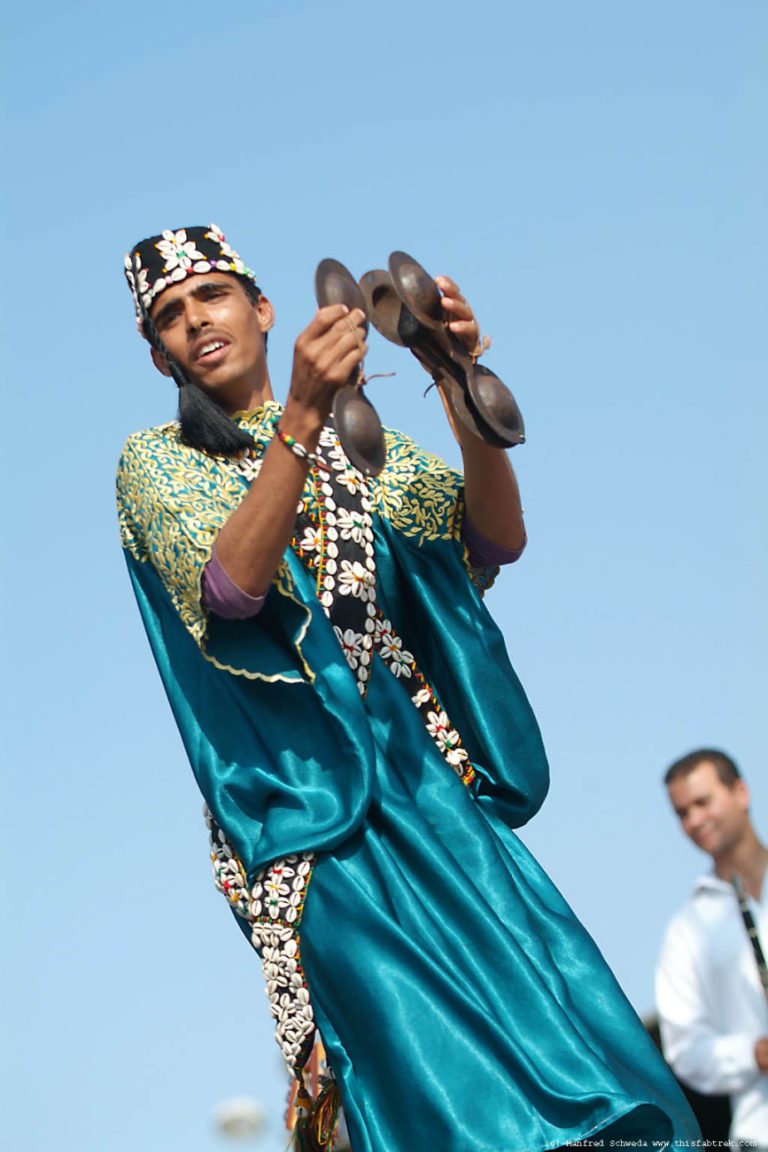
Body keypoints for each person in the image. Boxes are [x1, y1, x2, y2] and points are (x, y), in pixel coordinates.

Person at [117, 223, 699, 1152]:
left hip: (424, 791)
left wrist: (457, 384)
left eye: (212, 298)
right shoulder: (157, 462)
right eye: (170, 319)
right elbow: (231, 587)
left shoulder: (360, 439)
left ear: (262, 310)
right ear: (158, 357)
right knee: (427, 1071)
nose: (197, 323)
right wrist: (301, 418)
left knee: (557, 1044)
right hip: (309, 815)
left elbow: (487, 540)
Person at [656, 748, 768, 1149]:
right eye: (682, 813)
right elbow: (685, 1051)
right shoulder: (686, 929)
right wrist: (755, 1053)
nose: (695, 821)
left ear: (741, 792)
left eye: (703, 802)